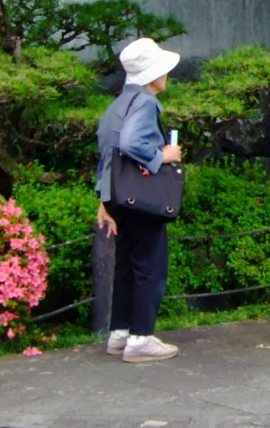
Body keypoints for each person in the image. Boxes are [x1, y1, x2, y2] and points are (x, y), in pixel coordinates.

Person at [95, 38, 184, 363]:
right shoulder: (145, 102)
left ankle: (120, 333)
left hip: (118, 198)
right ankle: (142, 338)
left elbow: (108, 150)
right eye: (163, 70)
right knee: (150, 266)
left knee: (127, 267)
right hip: (141, 199)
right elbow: (132, 142)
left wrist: (104, 200)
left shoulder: (117, 104)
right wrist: (163, 154)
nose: (167, 75)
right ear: (152, 75)